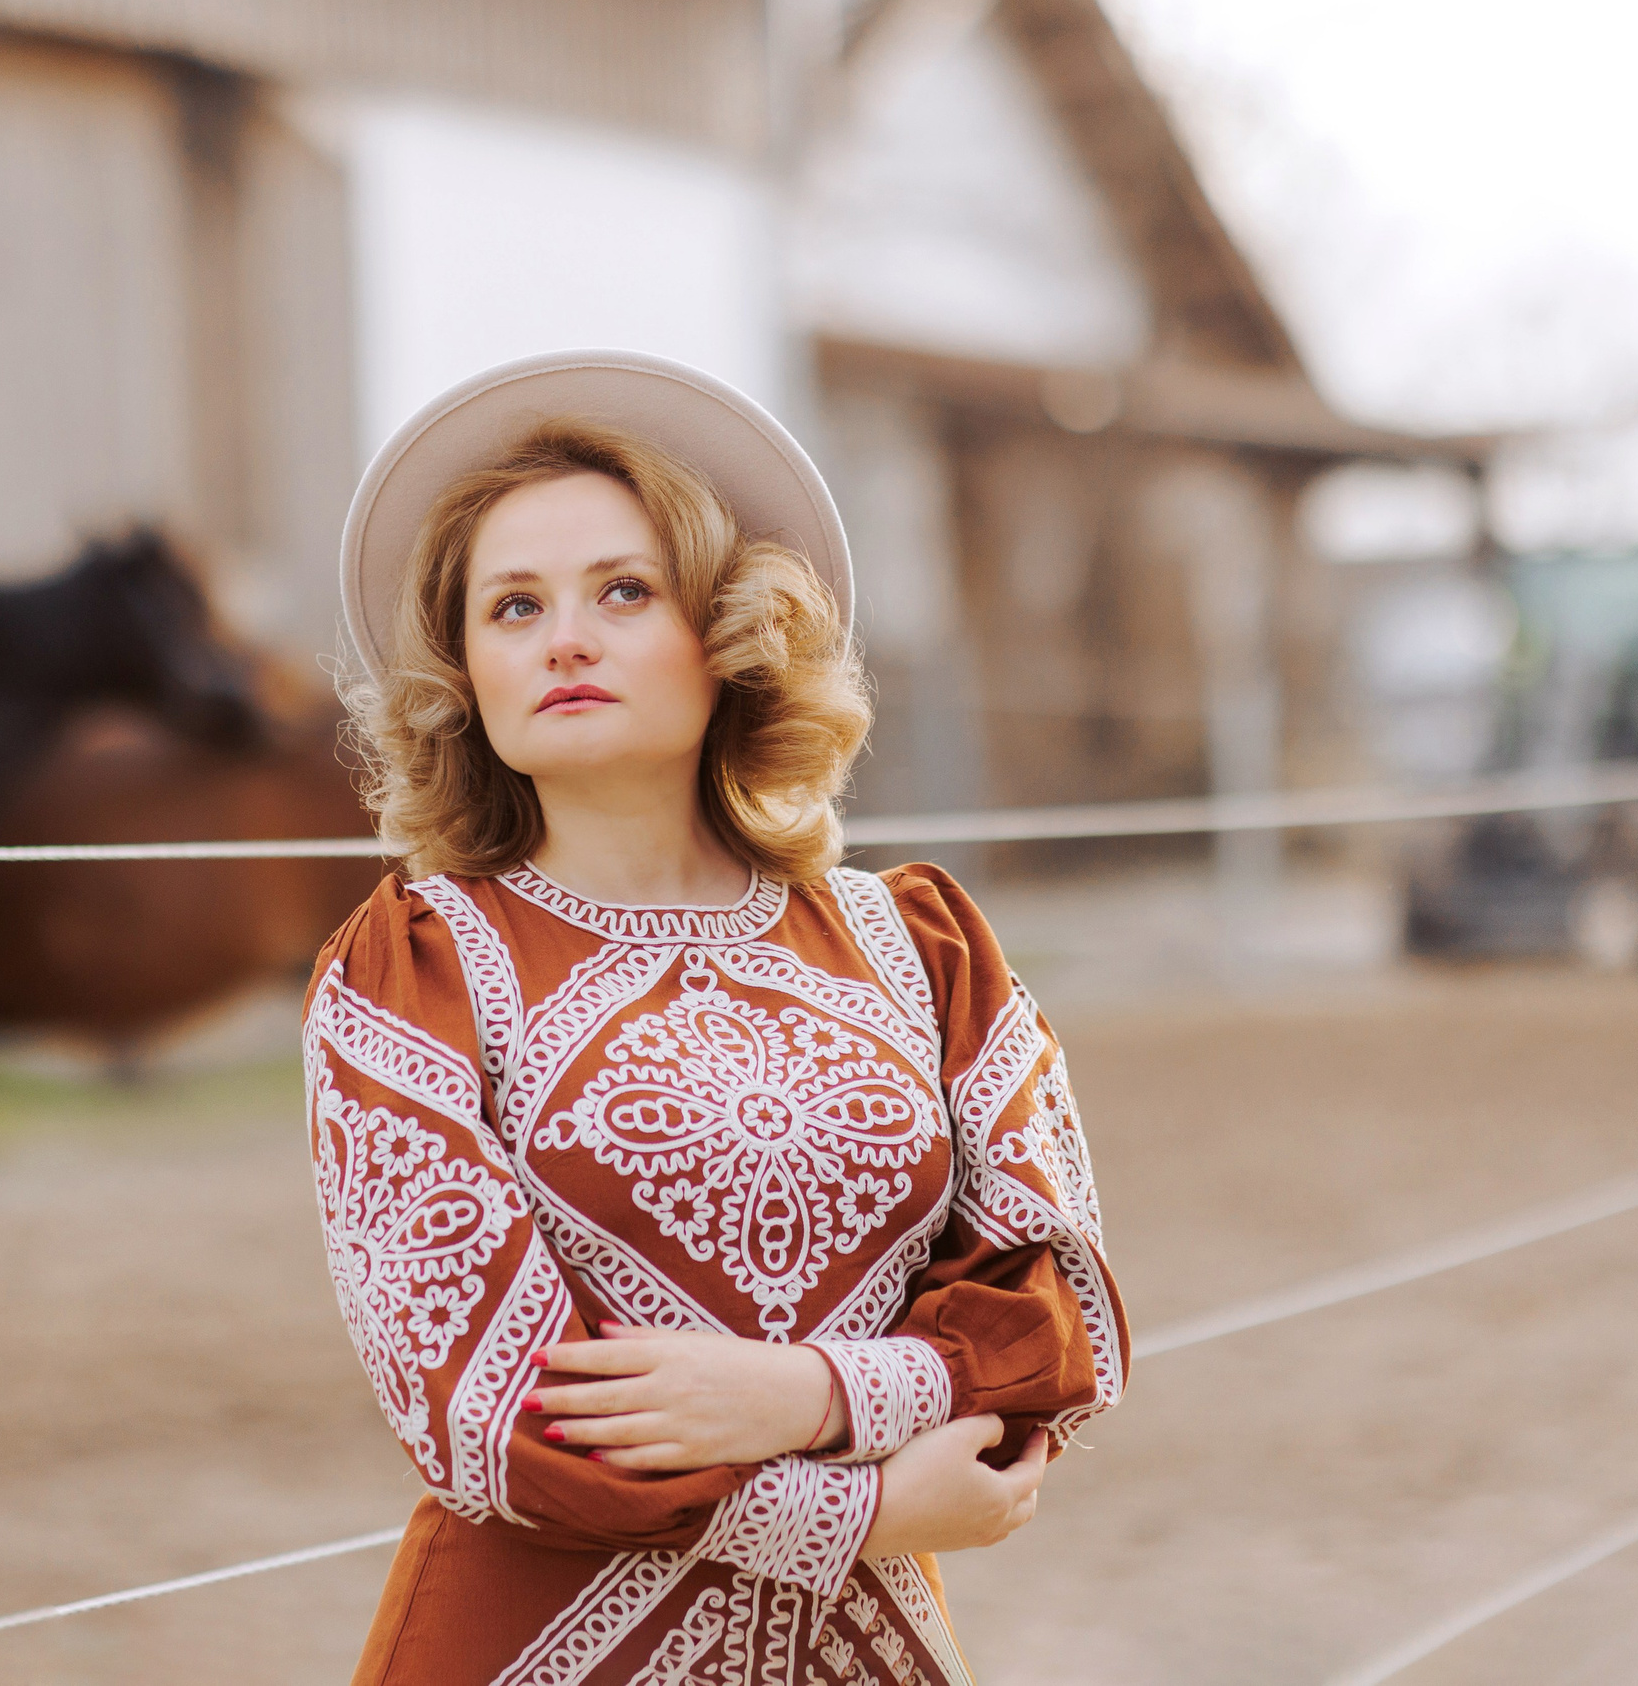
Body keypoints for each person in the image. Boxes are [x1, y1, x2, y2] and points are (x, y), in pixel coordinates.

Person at [306, 351, 1126, 1686]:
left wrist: (812, 1394)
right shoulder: (416, 967)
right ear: (466, 672)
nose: (564, 637)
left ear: (731, 630)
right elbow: (484, 1413)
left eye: (623, 591)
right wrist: (862, 1508)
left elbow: (1060, 1306)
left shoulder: (916, 948)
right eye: (513, 607)